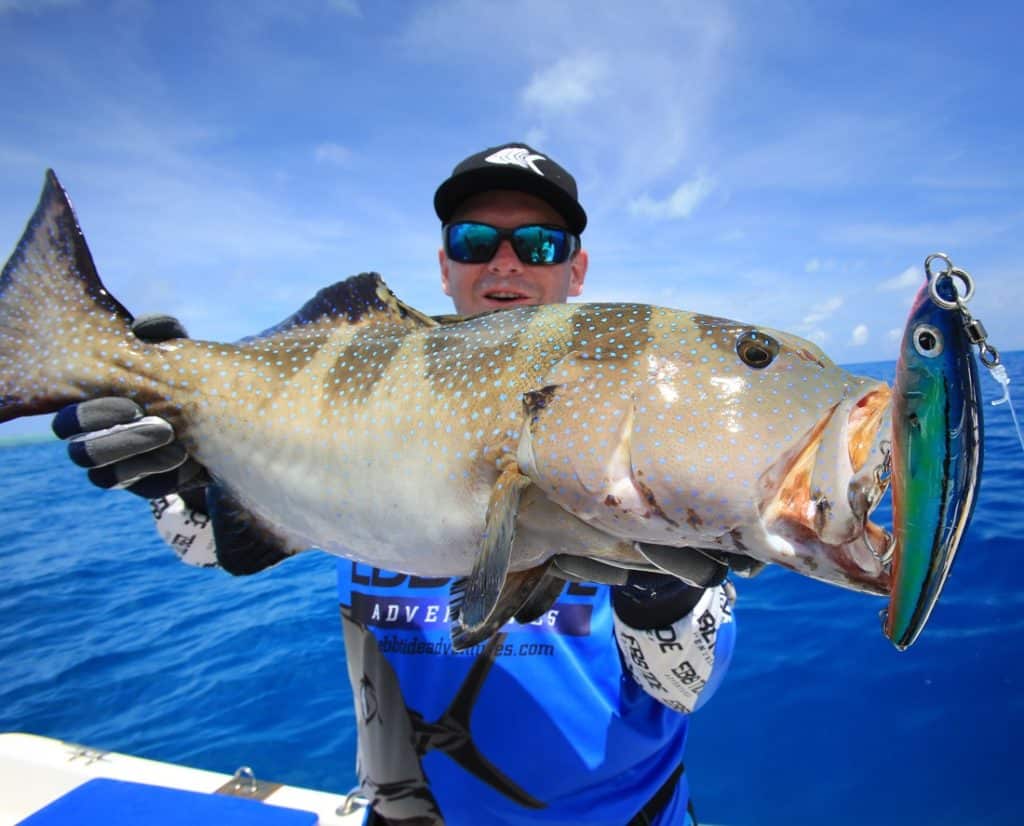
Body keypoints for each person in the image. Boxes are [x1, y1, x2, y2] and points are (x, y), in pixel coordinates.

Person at [53, 143, 737, 825]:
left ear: (575, 267)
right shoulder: (359, 385)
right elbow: (211, 545)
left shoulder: (647, 405)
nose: (505, 261)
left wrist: (662, 585)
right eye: (476, 240)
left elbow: (687, 686)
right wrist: (182, 464)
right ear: (445, 265)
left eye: (538, 242)